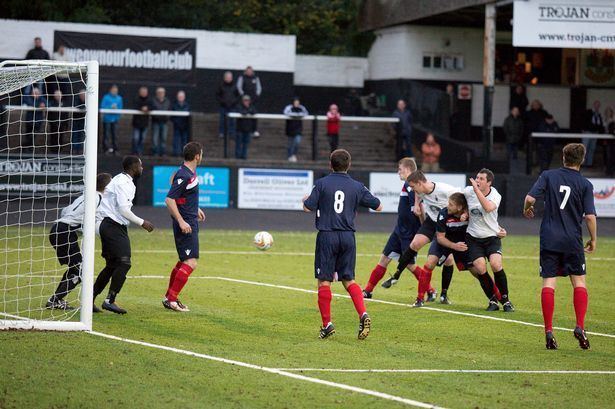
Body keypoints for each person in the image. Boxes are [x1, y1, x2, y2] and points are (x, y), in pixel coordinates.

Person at [303, 149, 383, 339]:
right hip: (348, 237)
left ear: (330, 165)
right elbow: (378, 206)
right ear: (349, 165)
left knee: (324, 281)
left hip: (327, 236)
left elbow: (308, 207)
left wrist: (305, 200)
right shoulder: (357, 186)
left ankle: (327, 324)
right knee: (349, 280)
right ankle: (363, 313)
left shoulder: (322, 183)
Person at [523, 143, 596, 350]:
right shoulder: (585, 184)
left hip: (549, 238)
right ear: (581, 160)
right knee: (579, 282)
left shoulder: (548, 176)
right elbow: (589, 217)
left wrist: (527, 209)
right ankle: (580, 326)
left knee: (549, 283)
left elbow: (530, 198)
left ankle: (548, 332)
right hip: (572, 240)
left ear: (563, 157)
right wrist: (594, 239)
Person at [362, 158, 433, 299]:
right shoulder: (408, 185)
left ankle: (430, 290)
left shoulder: (410, 186)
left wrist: (422, 227)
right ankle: (368, 291)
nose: (398, 172)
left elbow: (418, 209)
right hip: (399, 231)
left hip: (408, 232)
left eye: (400, 169)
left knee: (409, 265)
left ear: (407, 169)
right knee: (384, 259)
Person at [93, 156, 155, 314]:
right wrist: (142, 223)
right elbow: (123, 210)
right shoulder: (124, 183)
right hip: (112, 225)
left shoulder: (122, 180)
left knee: (112, 265)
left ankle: (90, 299)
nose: (142, 168)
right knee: (125, 263)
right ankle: (110, 300)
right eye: (140, 165)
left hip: (111, 225)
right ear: (134, 166)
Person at [46, 173, 112, 310]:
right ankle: (54, 300)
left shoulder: (86, 195)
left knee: (76, 268)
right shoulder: (98, 199)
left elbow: (65, 211)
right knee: (80, 271)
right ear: (107, 187)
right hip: (65, 232)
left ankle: (56, 299)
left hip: (57, 229)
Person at [393, 171, 458, 307]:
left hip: (446, 226)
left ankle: (444, 294)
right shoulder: (420, 190)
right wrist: (417, 204)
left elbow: (462, 199)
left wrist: (464, 215)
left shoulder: (446, 191)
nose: (413, 190)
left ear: (420, 183)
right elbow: (418, 193)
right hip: (431, 222)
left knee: (449, 260)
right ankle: (399, 275)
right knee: (415, 244)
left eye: (413, 186)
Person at [163, 142, 206, 312]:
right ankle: (171, 300)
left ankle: (169, 297)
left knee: (183, 261)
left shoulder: (188, 173)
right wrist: (181, 221)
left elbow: (182, 197)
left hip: (190, 221)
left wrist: (195, 209)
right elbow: (169, 200)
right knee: (191, 263)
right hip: (186, 225)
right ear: (197, 156)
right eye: (201, 154)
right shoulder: (183, 175)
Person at [464, 169, 514, 312]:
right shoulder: (468, 192)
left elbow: (487, 207)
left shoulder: (495, 195)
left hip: (492, 236)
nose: (477, 180)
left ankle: (506, 300)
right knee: (480, 267)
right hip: (473, 237)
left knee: (496, 264)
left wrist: (475, 190)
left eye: (481, 179)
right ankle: (493, 300)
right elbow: (457, 199)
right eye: (477, 178)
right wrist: (464, 212)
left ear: (489, 182)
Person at [237, 66, 262, 137]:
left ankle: (254, 130)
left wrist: (256, 96)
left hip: (254, 100)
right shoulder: (242, 77)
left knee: (254, 115)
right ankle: (243, 130)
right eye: (248, 71)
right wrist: (243, 96)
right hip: (244, 100)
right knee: (244, 115)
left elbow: (259, 88)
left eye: (250, 71)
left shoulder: (256, 78)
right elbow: (239, 87)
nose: (249, 72)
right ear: (245, 71)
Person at [283, 97, 309, 162]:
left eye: (298, 102)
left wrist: (299, 115)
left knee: (297, 142)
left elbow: (306, 113)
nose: (296, 103)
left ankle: (293, 155)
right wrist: (294, 115)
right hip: (290, 128)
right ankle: (289, 156)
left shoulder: (301, 108)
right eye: (295, 102)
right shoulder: (289, 107)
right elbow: (286, 113)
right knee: (290, 143)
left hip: (298, 129)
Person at [101, 84, 123, 155]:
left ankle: (115, 149)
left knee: (115, 135)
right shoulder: (106, 97)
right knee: (106, 135)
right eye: (113, 90)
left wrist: (117, 116)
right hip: (107, 119)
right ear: (110, 90)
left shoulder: (119, 98)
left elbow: (120, 108)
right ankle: (106, 149)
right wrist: (111, 107)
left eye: (116, 90)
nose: (115, 91)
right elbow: (102, 106)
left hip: (115, 119)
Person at [22, 86, 46, 151]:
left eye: (37, 93)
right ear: (32, 93)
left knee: (33, 135)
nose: (36, 94)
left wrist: (44, 105)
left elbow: (48, 103)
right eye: (34, 93)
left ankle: (27, 147)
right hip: (29, 121)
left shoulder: (41, 98)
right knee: (28, 134)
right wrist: (39, 106)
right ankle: (27, 147)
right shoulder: (28, 98)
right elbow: (30, 103)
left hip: (38, 121)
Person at [216, 71, 238, 139]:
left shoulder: (235, 86)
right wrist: (222, 102)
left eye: (230, 77)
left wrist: (234, 102)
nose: (228, 79)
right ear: (224, 78)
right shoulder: (221, 85)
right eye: (227, 77)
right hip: (223, 106)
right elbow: (217, 95)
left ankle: (232, 133)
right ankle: (221, 133)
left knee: (232, 121)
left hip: (232, 106)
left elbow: (238, 96)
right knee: (222, 120)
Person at [46, 89, 68, 153]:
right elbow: (49, 114)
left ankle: (59, 151)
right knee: (53, 137)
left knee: (60, 137)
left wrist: (65, 123)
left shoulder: (64, 103)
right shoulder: (51, 103)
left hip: (62, 123)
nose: (58, 96)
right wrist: (51, 121)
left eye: (59, 95)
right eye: (57, 95)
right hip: (53, 124)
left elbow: (66, 114)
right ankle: (53, 151)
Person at [582, 100, 603, 168]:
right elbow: (583, 120)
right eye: (596, 105)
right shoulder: (588, 111)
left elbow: (600, 124)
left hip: (595, 133)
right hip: (587, 132)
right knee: (585, 148)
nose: (597, 106)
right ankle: (582, 163)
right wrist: (583, 129)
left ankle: (589, 164)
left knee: (592, 148)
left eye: (598, 105)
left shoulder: (599, 114)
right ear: (594, 105)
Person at [235, 95, 256, 159]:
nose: (246, 102)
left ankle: (244, 156)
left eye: (247, 100)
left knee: (245, 143)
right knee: (239, 143)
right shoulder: (239, 106)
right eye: (245, 100)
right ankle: (238, 156)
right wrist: (248, 112)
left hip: (248, 128)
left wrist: (248, 111)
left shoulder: (252, 107)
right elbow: (242, 112)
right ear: (242, 101)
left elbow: (254, 112)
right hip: (240, 128)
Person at [151, 87, 171, 156]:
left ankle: (163, 152)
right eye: (159, 93)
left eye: (162, 93)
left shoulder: (167, 101)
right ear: (157, 93)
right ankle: (155, 152)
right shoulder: (153, 101)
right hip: (156, 122)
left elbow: (168, 110)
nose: (160, 94)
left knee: (164, 138)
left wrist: (165, 117)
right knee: (155, 138)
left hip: (164, 122)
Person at [132, 86, 151, 155]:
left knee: (142, 139)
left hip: (145, 123)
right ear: (140, 92)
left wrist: (147, 108)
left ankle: (140, 152)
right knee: (135, 138)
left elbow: (152, 106)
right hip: (136, 123)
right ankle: (134, 151)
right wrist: (141, 108)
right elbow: (135, 106)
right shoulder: (136, 99)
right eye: (142, 92)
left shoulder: (149, 100)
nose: (144, 93)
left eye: (145, 92)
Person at [171, 90, 191, 157]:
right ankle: (176, 153)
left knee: (184, 140)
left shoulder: (187, 105)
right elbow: (172, 116)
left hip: (185, 126)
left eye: (182, 96)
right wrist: (176, 121)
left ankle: (184, 153)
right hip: (177, 125)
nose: (180, 98)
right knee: (176, 140)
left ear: (184, 97)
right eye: (179, 96)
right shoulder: (174, 105)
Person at [71, 89, 87, 154]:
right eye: (81, 95)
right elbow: (77, 106)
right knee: (75, 135)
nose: (82, 96)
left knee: (82, 135)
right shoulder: (76, 99)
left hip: (83, 121)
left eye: (84, 95)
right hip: (76, 120)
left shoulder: (88, 101)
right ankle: (74, 149)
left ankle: (80, 149)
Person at [605, 106, 615, 176]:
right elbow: (611, 132)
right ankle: (609, 172)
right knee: (610, 157)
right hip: (610, 143)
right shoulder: (611, 123)